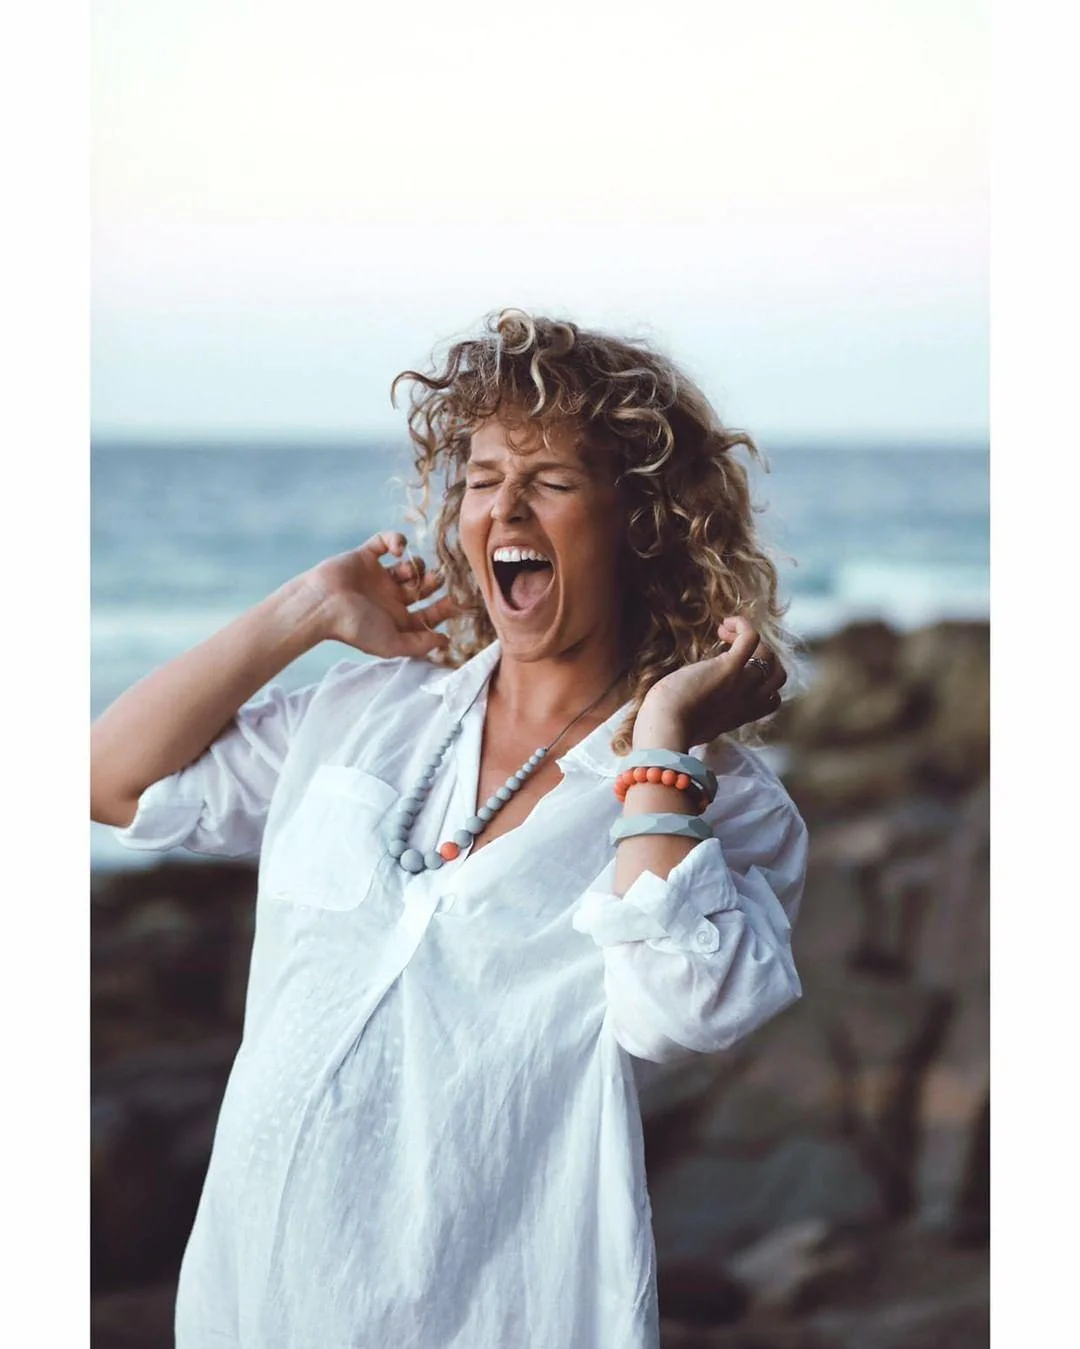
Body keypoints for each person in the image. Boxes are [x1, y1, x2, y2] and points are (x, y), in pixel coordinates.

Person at [90, 308, 808, 1349]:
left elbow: (683, 1013)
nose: (503, 506)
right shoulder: (365, 715)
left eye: (549, 479)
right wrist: (305, 607)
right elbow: (110, 779)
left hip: (492, 1316)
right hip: (251, 1305)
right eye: (480, 478)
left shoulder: (719, 801)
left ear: (642, 521)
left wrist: (662, 741)